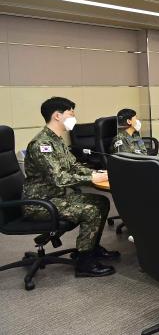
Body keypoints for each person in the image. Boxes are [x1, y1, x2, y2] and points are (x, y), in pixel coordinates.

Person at [22, 97, 119, 277]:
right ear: (57, 116)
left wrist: (97, 172)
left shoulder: (57, 141)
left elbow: (73, 166)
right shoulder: (42, 144)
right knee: (90, 210)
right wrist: (91, 177)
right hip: (40, 203)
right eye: (70, 114)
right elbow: (59, 178)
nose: (74, 118)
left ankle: (91, 247)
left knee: (101, 201)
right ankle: (84, 263)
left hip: (56, 198)